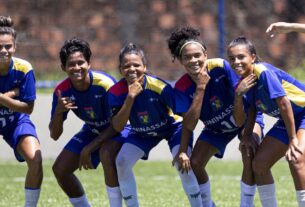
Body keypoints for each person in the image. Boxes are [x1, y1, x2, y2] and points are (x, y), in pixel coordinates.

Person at [168, 27, 264, 207]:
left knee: (248, 151)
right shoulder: (181, 88)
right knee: (195, 163)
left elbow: (248, 104)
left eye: (197, 55)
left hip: (244, 119)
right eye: (187, 57)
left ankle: (246, 204)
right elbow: (188, 124)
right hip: (215, 129)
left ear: (205, 54)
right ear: (181, 61)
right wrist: (201, 88)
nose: (194, 60)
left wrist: (248, 132)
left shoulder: (221, 66)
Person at [108, 42, 203, 207]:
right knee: (121, 161)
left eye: (136, 65)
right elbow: (117, 126)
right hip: (141, 133)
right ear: (120, 69)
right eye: (126, 66)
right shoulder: (116, 92)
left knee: (183, 165)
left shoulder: (159, 87)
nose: (132, 69)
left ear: (144, 67)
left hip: (172, 129)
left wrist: (182, 151)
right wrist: (130, 98)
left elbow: (185, 118)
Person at [49, 37, 129, 207]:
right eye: (71, 64)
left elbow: (119, 123)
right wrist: (58, 112)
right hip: (92, 130)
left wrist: (90, 147)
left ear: (89, 63)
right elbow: (55, 135)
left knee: (106, 154)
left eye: (81, 62)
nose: (77, 68)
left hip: (120, 129)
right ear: (63, 68)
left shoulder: (105, 84)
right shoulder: (61, 92)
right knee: (60, 170)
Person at [227, 36, 305, 207]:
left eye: (241, 57)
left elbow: (284, 104)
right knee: (260, 164)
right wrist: (239, 97)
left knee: (296, 158)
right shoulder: (242, 85)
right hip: (288, 120)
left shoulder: (263, 72)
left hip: (302, 114)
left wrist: (293, 139)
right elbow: (250, 112)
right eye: (231, 59)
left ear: (253, 57)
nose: (236, 62)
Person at [0, 16, 43, 207]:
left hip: (15, 121)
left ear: (15, 47)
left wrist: (2, 98)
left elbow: (28, 107)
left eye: (8, 46)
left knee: (35, 159)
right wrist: (12, 94)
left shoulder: (24, 68)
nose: (3, 51)